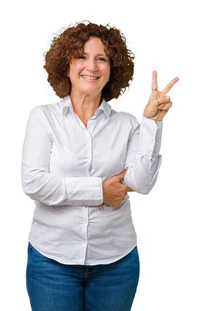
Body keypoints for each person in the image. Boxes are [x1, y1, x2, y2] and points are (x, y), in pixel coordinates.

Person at [22, 21, 178, 311]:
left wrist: (151, 122)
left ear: (112, 70)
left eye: (101, 59)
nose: (91, 67)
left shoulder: (127, 124)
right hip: (51, 262)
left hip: (115, 264)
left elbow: (141, 183)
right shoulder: (44, 118)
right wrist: (99, 191)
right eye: (81, 56)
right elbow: (33, 182)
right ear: (66, 65)